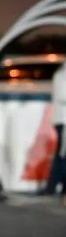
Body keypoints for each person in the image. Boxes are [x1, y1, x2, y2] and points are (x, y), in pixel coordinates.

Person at [43, 61, 66, 196]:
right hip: (63, 121)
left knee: (62, 154)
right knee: (61, 155)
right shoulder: (61, 76)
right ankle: (52, 187)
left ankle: (58, 186)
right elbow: (62, 95)